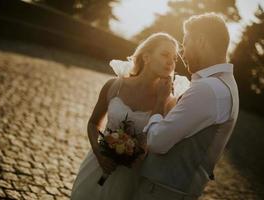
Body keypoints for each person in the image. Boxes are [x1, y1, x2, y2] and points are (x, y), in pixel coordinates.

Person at [133, 13, 239, 200]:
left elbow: (157, 141)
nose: (182, 53)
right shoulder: (226, 85)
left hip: (162, 191)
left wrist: (160, 101)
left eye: (185, 43)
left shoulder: (209, 89)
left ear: (201, 41)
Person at [71, 32, 189, 200]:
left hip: (130, 178)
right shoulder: (114, 86)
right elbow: (93, 123)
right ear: (147, 57)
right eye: (165, 55)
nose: (171, 62)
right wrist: (99, 154)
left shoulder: (169, 103)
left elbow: (158, 144)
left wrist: (161, 101)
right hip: (96, 165)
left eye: (175, 58)